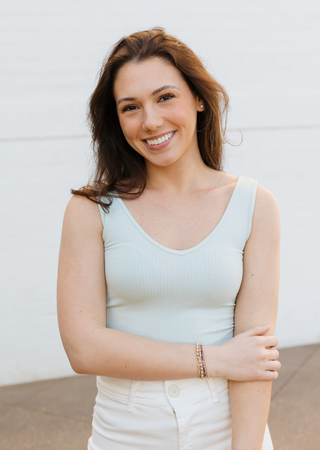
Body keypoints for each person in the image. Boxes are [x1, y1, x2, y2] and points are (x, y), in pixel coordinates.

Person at [57, 27, 281, 450]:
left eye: (165, 97)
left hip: (227, 426)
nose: (151, 121)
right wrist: (212, 359)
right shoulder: (92, 210)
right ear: (116, 120)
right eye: (130, 107)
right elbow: (83, 348)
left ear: (198, 98)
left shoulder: (255, 205)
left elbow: (254, 358)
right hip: (125, 430)